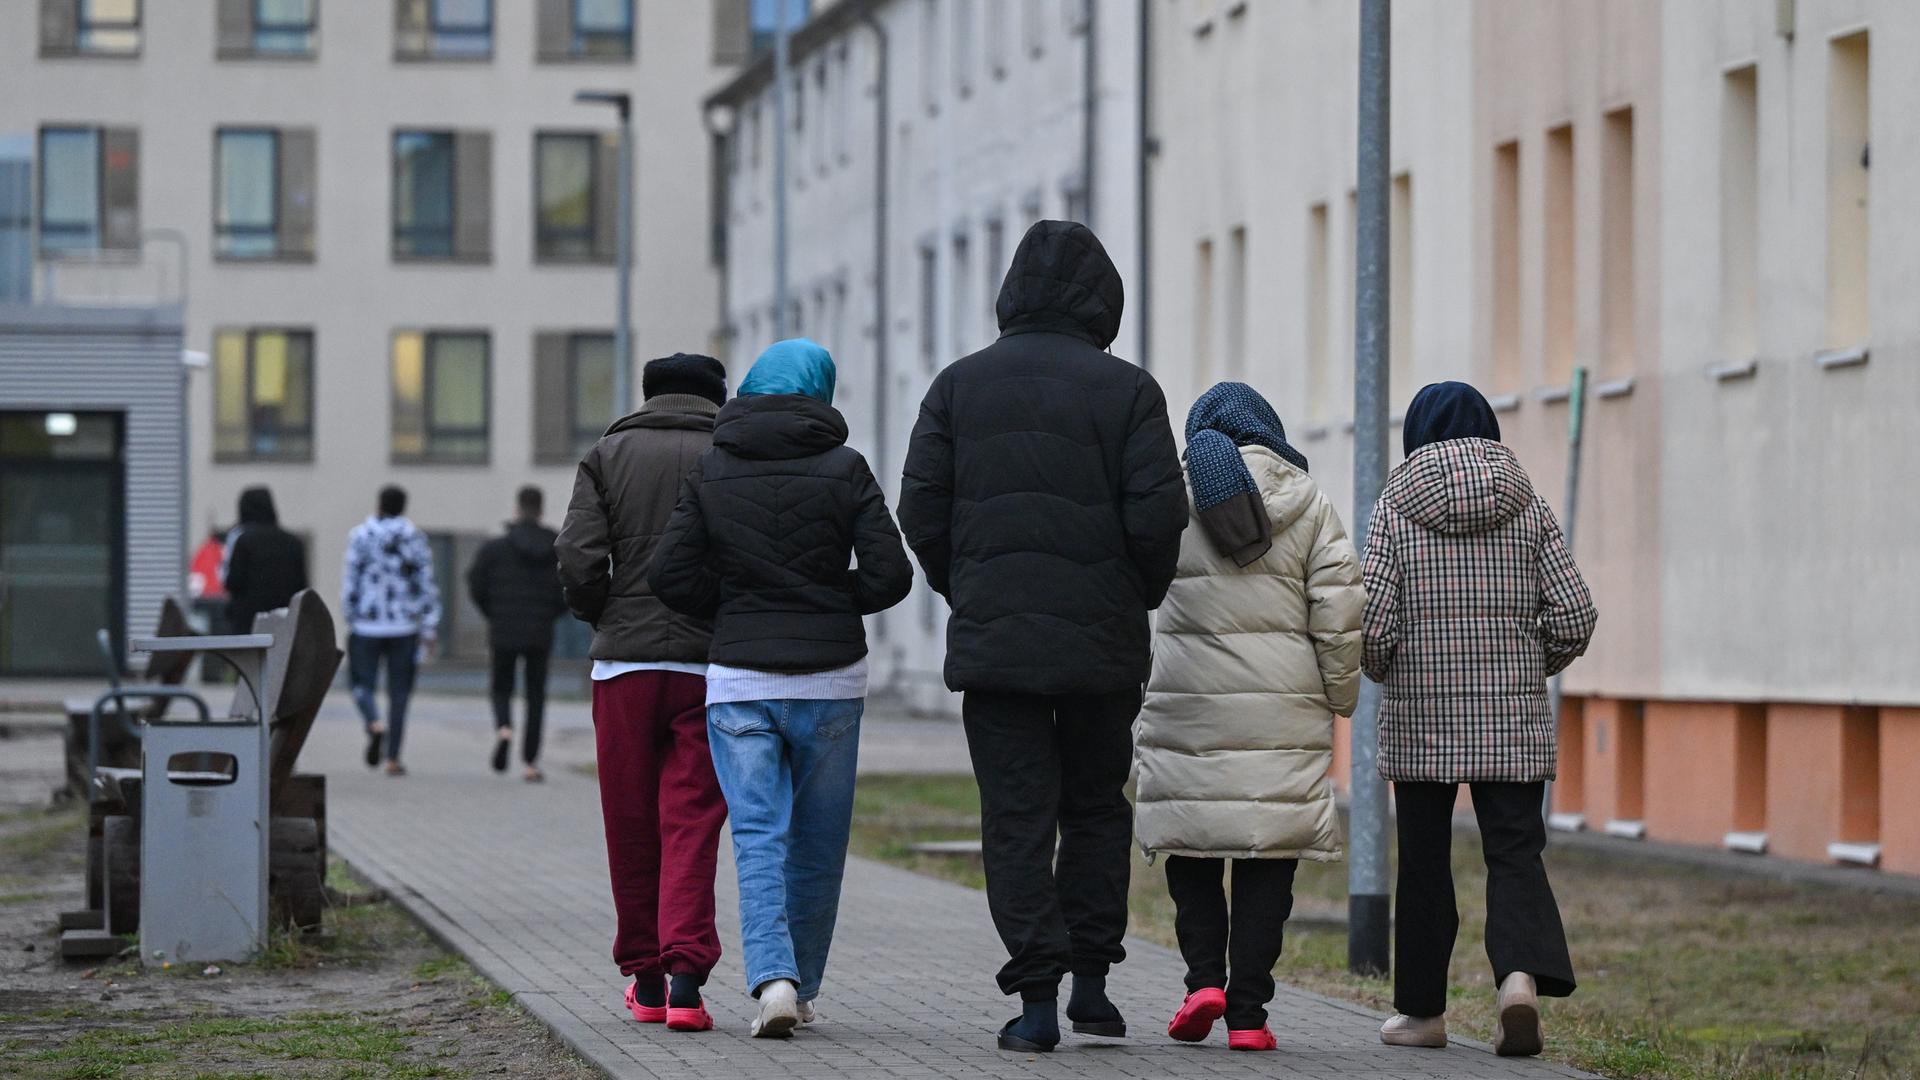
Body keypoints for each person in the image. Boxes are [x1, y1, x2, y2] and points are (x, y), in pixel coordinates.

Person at [897, 220, 1188, 1053]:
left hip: (998, 651)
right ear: (1103, 300)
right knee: (1095, 808)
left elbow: (921, 511)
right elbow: (1159, 517)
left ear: (1012, 291)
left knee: (1016, 818)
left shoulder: (957, 388)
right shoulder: (1130, 391)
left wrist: (970, 589)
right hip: (1101, 647)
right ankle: (1092, 985)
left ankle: (1035, 1002)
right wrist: (1132, 596)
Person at [650, 339, 912, 1039]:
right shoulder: (846, 466)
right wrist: (830, 599)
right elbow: (891, 575)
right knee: (818, 844)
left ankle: (775, 980)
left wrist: (735, 605)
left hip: (740, 678)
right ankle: (804, 984)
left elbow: (669, 574)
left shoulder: (713, 467)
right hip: (831, 680)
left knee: (757, 837)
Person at [1361, 381, 1597, 1057]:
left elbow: (1370, 625)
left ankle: (1422, 1014)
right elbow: (1576, 614)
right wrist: (1529, 664)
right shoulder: (1528, 505)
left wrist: (1388, 669)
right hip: (1511, 715)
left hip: (1422, 716)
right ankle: (1518, 981)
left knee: (1424, 863)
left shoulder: (1394, 507)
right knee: (1515, 852)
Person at [1135, 383, 1363, 1052]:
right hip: (1283, 710)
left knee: (1192, 843)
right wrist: (1340, 697)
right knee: (1270, 856)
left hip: (1187, 705)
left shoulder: (1171, 499)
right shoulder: (1309, 501)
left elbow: (1133, 584)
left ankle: (1203, 982)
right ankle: (1248, 1015)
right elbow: (1340, 608)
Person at [556, 352, 732, 1033]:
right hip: (707, 666)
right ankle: (686, 984)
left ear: (649, 394)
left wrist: (602, 612)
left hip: (623, 668)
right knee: (691, 823)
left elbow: (577, 554)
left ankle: (647, 983)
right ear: (718, 396)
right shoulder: (731, 452)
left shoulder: (607, 454)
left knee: (630, 824)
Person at [467, 485, 569, 782]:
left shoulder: (495, 549)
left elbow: (475, 585)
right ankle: (530, 762)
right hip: (540, 630)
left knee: (501, 687)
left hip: (503, 629)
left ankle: (504, 729)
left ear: (516, 509)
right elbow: (569, 586)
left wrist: (493, 613)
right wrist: (550, 614)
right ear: (541, 510)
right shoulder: (556, 548)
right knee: (536, 694)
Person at [342, 484, 440, 775]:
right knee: (400, 694)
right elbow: (426, 582)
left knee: (361, 684)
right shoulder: (414, 537)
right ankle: (393, 758)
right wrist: (429, 625)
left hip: (366, 624)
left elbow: (350, 579)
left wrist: (350, 616)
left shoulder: (360, 536)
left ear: (379, 504)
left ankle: (374, 722)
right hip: (404, 625)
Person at [223, 486, 309, 632]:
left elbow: (233, 581)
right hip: (284, 622)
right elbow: (301, 585)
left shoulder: (244, 541)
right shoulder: (293, 542)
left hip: (248, 623)